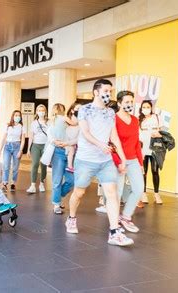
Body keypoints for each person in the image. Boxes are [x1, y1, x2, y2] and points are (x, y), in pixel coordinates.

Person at [66, 79, 134, 247]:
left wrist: (123, 157)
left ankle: (114, 232)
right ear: (96, 92)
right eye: (106, 91)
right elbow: (86, 132)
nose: (108, 94)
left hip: (105, 161)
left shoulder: (111, 112)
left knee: (112, 193)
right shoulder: (84, 110)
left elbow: (114, 137)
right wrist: (100, 144)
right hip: (86, 160)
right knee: (79, 193)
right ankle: (71, 218)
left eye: (110, 91)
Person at [114, 90, 144, 233]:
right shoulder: (113, 119)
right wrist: (118, 161)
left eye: (131, 102)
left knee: (138, 189)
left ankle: (125, 217)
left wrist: (140, 162)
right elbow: (111, 143)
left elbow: (136, 143)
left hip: (133, 160)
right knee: (117, 193)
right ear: (119, 103)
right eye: (126, 102)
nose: (129, 104)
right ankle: (114, 224)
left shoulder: (135, 120)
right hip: (118, 161)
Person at [48, 103, 76, 214]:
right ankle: (56, 204)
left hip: (68, 151)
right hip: (58, 152)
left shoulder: (55, 121)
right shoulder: (58, 120)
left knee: (71, 180)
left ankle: (58, 197)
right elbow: (75, 123)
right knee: (57, 180)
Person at [139, 100, 163, 204]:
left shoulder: (157, 117)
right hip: (143, 149)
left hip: (155, 148)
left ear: (151, 108)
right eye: (143, 107)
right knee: (143, 172)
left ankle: (156, 194)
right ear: (141, 108)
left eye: (147, 107)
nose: (146, 109)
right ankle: (143, 194)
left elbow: (164, 132)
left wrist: (158, 135)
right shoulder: (139, 119)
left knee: (155, 171)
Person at [0, 110, 26, 192]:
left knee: (15, 167)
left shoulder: (22, 127)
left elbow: (23, 140)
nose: (17, 117)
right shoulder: (8, 126)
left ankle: (13, 183)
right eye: (15, 115)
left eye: (18, 115)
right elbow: (4, 138)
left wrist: (20, 150)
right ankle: (5, 183)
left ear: (20, 117)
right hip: (7, 146)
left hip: (17, 146)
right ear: (13, 116)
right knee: (6, 166)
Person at [26, 104, 48, 194]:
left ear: (45, 111)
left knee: (43, 165)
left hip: (45, 146)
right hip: (35, 145)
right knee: (35, 164)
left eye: (42, 110)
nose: (41, 112)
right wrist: (28, 149)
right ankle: (32, 185)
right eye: (39, 110)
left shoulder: (49, 122)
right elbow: (31, 136)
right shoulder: (34, 123)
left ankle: (42, 183)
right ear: (36, 112)